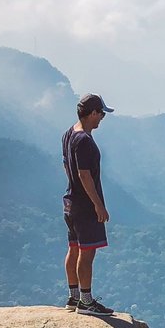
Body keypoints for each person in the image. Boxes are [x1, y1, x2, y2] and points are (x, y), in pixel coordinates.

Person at [62, 93, 115, 316]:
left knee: (73, 248)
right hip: (85, 206)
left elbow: (67, 166)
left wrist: (73, 186)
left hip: (71, 201)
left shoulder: (68, 134)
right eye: (101, 113)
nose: (102, 117)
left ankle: (74, 298)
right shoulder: (84, 140)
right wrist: (98, 205)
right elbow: (85, 175)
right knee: (87, 252)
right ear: (92, 113)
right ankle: (86, 302)